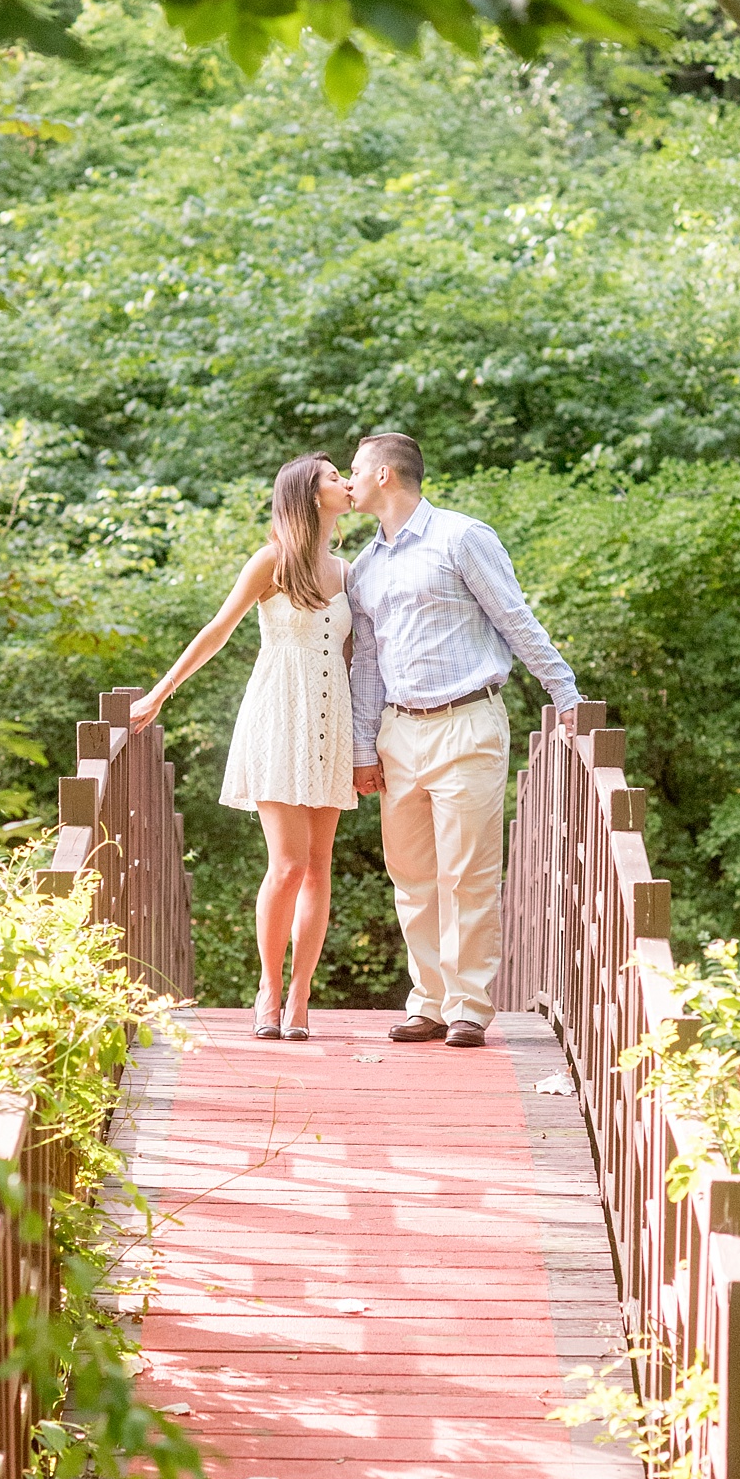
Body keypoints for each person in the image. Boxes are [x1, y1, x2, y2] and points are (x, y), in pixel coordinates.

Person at [346, 432, 579, 1049]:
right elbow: (366, 664)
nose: (348, 480)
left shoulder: (462, 537)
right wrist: (362, 747)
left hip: (468, 721)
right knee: (412, 875)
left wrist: (566, 695)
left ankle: (468, 1007)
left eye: (355, 470)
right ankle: (427, 1001)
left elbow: (514, 617)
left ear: (386, 477)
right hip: (399, 730)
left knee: (469, 872)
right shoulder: (365, 567)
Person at [130, 454, 355, 1040]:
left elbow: (356, 657)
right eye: (334, 477)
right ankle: (269, 989)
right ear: (307, 495)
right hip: (281, 714)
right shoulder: (272, 561)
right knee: (288, 864)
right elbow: (217, 629)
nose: (346, 483)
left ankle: (303, 994)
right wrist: (159, 693)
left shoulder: (349, 570)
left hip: (333, 720)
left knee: (320, 866)